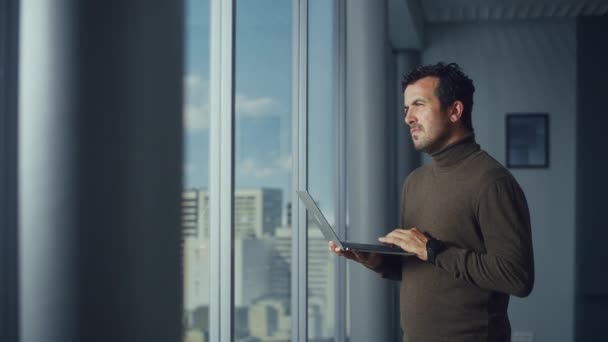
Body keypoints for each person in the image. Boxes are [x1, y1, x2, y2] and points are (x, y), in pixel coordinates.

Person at [329, 62, 535, 342]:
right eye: (406, 109)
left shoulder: (491, 182)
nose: (408, 118)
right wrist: (378, 262)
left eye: (419, 105)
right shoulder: (415, 182)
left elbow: (517, 277)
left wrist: (433, 249)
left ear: (455, 111)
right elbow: (427, 269)